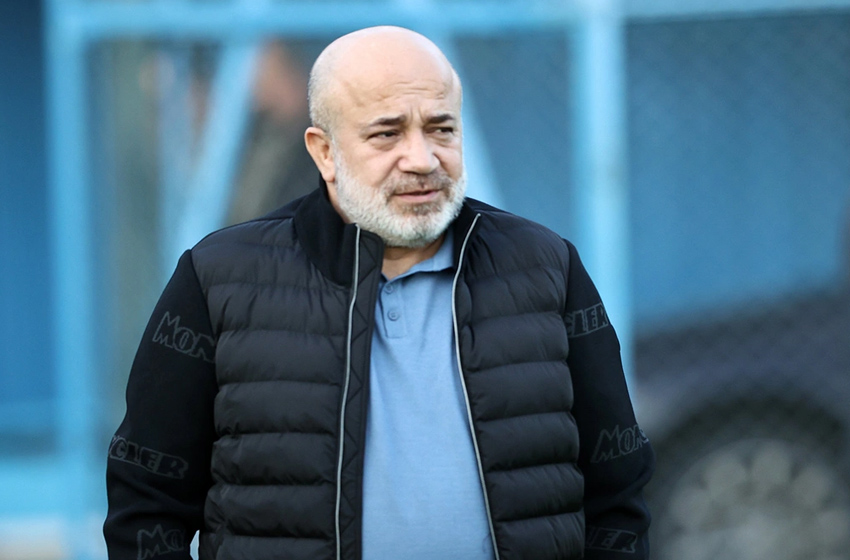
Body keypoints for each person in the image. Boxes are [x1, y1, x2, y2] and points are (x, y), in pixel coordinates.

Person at [104, 26, 654, 560]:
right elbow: (147, 501)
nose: (422, 158)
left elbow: (617, 489)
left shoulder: (546, 267)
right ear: (324, 152)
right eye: (387, 134)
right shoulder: (219, 278)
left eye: (441, 129)